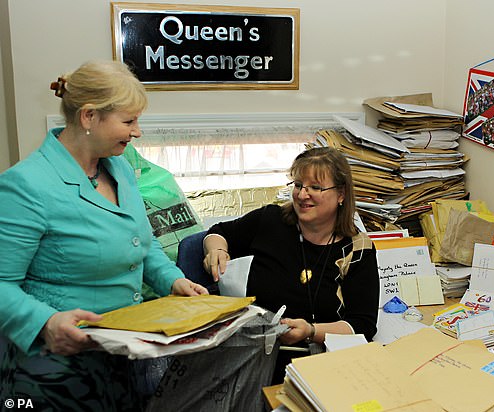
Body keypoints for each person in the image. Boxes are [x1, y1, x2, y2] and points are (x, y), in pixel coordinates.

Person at [0, 60, 208, 410]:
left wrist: (172, 281)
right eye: (128, 121)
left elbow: (143, 243)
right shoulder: (26, 185)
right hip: (55, 367)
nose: (138, 131)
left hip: (121, 352)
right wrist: (46, 322)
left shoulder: (121, 169)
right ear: (89, 117)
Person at [203, 146, 379, 383]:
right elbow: (218, 232)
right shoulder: (271, 220)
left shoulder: (357, 249)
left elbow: (362, 326)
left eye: (315, 188)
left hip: (316, 363)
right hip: (249, 356)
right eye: (298, 185)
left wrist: (311, 331)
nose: (302, 195)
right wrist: (217, 250)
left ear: (341, 194)